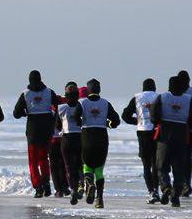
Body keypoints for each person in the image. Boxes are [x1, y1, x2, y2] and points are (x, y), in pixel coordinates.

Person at [151, 76, 192, 207]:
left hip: (164, 137)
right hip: (181, 137)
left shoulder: (162, 98)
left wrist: (159, 121)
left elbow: (153, 116)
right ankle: (175, 196)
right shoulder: (189, 100)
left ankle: (166, 188)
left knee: (161, 167)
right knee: (179, 169)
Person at [73, 79, 120, 209]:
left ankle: (89, 182)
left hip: (87, 136)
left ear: (88, 90)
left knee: (87, 165)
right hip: (102, 137)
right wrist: (107, 123)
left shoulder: (82, 103)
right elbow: (116, 121)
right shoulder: (105, 103)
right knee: (99, 168)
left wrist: (81, 122)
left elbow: (76, 118)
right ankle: (99, 199)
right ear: (99, 90)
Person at [13, 71, 59, 197]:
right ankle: (46, 185)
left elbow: (16, 114)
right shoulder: (49, 92)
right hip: (47, 128)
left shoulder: (25, 94)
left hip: (33, 128)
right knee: (44, 158)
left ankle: (38, 187)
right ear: (41, 79)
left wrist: (25, 112)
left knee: (33, 161)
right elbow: (57, 106)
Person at [121, 78, 160, 203]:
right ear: (154, 87)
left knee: (146, 165)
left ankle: (151, 192)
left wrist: (137, 121)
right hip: (157, 133)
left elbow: (125, 116)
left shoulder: (137, 98)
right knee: (156, 164)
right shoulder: (159, 97)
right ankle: (157, 190)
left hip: (143, 133)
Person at [57, 83, 84, 203]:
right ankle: (81, 184)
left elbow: (57, 126)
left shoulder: (61, 108)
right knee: (79, 164)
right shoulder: (82, 107)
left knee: (68, 166)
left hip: (66, 139)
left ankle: (73, 189)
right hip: (80, 138)